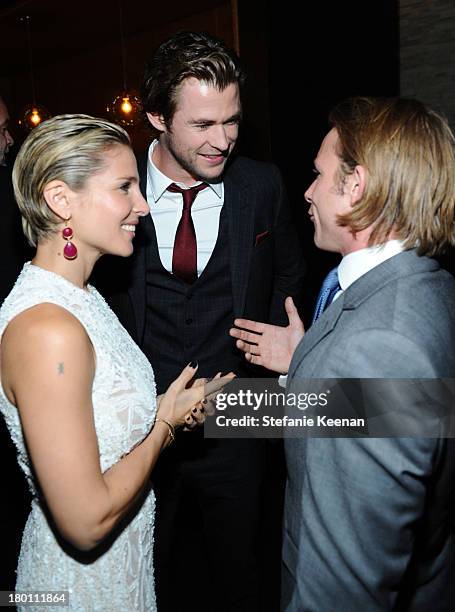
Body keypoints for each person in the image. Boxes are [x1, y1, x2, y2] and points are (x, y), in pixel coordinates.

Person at [97, 30, 305, 612]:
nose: (224, 141)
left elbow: (289, 272)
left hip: (240, 420)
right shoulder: (115, 188)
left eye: (233, 121)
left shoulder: (261, 186)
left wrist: (280, 348)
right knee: (149, 573)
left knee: (241, 573)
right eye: (203, 125)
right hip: (139, 422)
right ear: (158, 117)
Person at [0, 114, 232, 611]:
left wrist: (168, 406)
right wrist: (164, 426)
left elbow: (95, 419)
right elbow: (84, 524)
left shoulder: (84, 296)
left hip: (124, 573)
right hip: (77, 591)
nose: (143, 206)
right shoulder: (48, 330)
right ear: (61, 199)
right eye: (125, 187)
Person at [231, 97, 455, 610]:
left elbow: (347, 592)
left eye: (318, 173)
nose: (307, 192)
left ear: (356, 186)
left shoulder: (379, 348)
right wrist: (295, 366)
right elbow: (364, 416)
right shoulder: (428, 288)